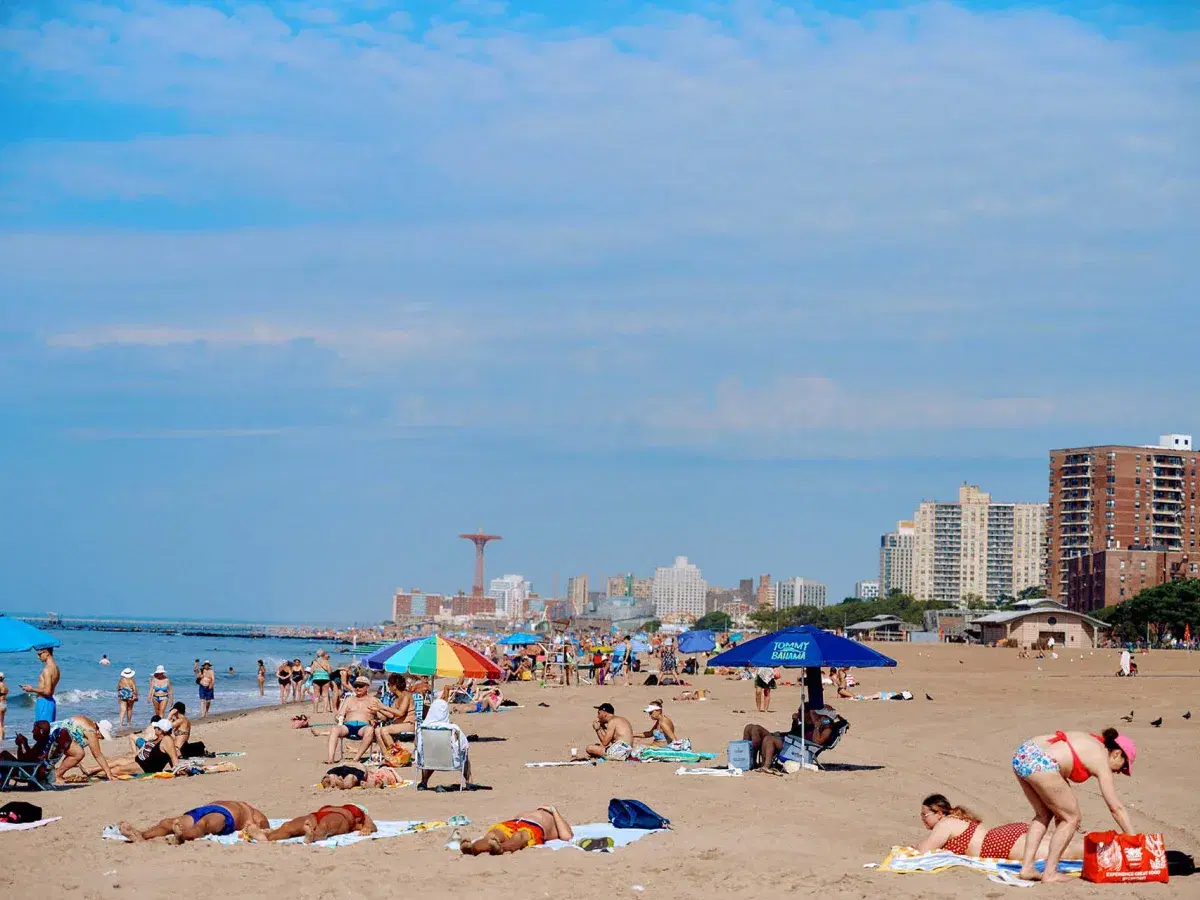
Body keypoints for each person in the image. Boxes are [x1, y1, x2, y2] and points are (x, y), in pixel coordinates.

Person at [1011, 728, 1136, 883]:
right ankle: (1050, 873)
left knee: (1043, 814)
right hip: (1042, 763)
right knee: (1071, 818)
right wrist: (1134, 840)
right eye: (1123, 767)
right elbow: (1115, 808)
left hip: (1024, 753)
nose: (1120, 772)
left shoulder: (1093, 741)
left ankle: (1027, 868)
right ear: (1117, 753)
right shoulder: (1101, 760)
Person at [916, 793, 1085, 862]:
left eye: (925, 815)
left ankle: (1103, 848)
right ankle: (1100, 843)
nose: (922, 819)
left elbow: (925, 849)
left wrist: (915, 846)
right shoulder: (955, 819)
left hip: (998, 845)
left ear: (938, 813)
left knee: (1066, 853)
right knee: (1062, 845)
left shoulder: (945, 823)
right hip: (1003, 836)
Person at [118, 800, 267, 844]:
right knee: (169, 822)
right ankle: (142, 835)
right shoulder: (247, 808)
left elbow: (264, 824)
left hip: (225, 815)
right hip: (208, 809)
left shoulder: (251, 811)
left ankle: (182, 836)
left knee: (202, 825)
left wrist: (258, 827)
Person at [325, 676, 398, 764]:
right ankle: (330, 758)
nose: (358, 688)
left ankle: (356, 758)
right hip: (348, 726)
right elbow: (339, 716)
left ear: (367, 687)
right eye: (356, 686)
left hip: (363, 727)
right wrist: (338, 717)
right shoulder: (349, 700)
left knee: (370, 730)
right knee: (334, 729)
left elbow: (384, 718)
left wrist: (377, 711)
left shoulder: (374, 700)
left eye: (361, 686)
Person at [460, 806, 573, 855]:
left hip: (534, 827)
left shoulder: (555, 819)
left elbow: (567, 836)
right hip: (513, 822)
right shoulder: (531, 812)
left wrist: (554, 810)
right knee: (493, 835)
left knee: (520, 837)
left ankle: (501, 849)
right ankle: (473, 848)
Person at [89, 718, 179, 777]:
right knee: (118, 761)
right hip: (140, 760)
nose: (154, 728)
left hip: (145, 767)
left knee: (117, 769)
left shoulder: (167, 740)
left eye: (156, 727)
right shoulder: (159, 738)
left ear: (161, 730)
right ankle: (90, 770)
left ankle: (94, 775)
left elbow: (173, 757)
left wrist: (176, 771)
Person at [247, 803, 377, 843]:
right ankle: (265, 838)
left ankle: (312, 836)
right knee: (287, 826)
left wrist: (366, 828)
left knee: (324, 826)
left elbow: (371, 823)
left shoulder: (358, 813)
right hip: (319, 815)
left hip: (339, 817)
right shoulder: (349, 808)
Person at [417, 696, 471, 789]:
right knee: (465, 754)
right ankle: (468, 781)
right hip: (452, 763)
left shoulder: (422, 728)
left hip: (428, 762)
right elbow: (464, 746)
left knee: (431, 753)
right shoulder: (453, 728)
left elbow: (416, 746)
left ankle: (424, 782)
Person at [52, 715, 117, 781]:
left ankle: (56, 773)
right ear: (99, 731)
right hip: (57, 736)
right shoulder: (92, 732)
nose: (101, 739)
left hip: (53, 729)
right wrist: (109, 773)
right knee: (79, 754)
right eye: (102, 736)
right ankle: (58, 775)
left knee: (76, 751)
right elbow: (97, 755)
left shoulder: (86, 721)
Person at [22, 646, 60, 724]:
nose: (38, 657)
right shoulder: (56, 668)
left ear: (46, 653)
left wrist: (31, 689)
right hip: (50, 702)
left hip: (44, 703)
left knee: (41, 732)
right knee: (49, 731)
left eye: (39, 654)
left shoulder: (47, 669)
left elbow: (47, 691)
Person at [0, 672, 7, 741]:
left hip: (0, 704)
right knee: (2, 722)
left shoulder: (0, 685)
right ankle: (2, 738)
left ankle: (1, 739)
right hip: (4, 704)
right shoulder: (5, 685)